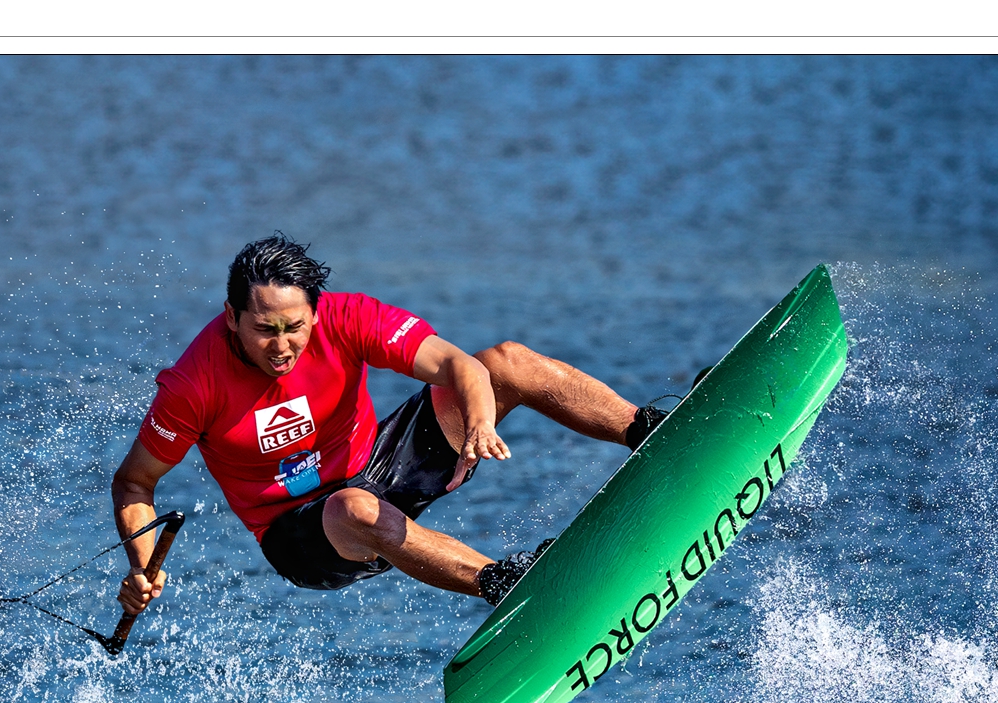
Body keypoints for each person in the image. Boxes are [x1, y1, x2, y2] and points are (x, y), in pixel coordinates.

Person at [108, 233, 672, 618]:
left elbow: (458, 365)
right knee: (352, 508)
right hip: (300, 534)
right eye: (264, 330)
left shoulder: (347, 317)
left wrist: (478, 421)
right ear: (232, 317)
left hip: (377, 467)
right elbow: (135, 484)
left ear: (315, 310)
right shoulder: (193, 384)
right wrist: (140, 565)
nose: (282, 346)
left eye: (295, 327)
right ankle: (508, 585)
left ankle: (648, 430)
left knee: (507, 363)